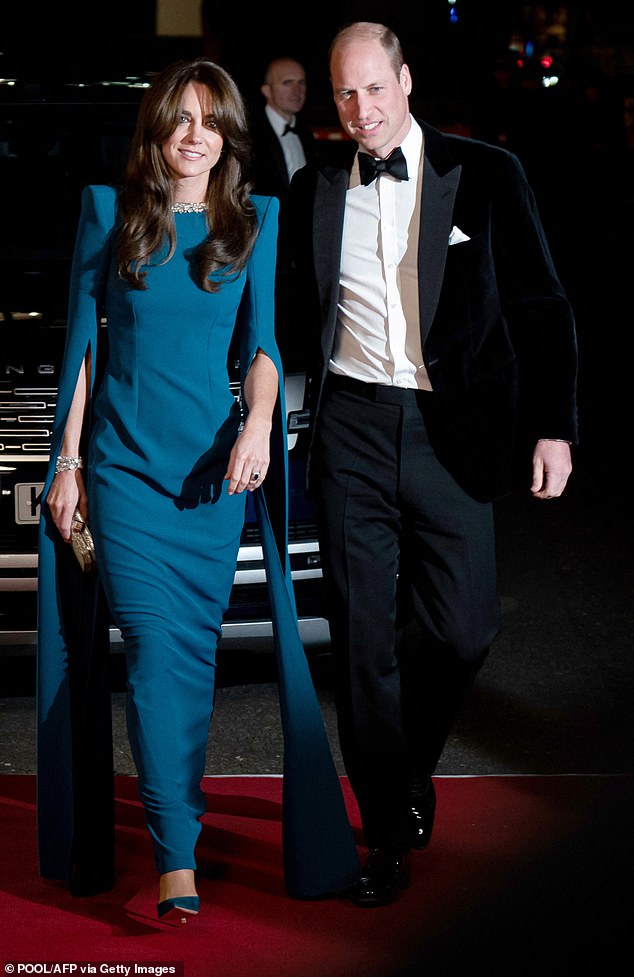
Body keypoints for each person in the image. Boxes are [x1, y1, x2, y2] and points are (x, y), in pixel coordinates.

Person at [36, 57, 359, 921]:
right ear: (158, 131)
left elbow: (263, 349)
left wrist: (259, 425)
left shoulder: (256, 222)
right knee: (147, 649)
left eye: (209, 121)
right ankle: (176, 852)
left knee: (190, 659)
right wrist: (65, 462)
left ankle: (178, 819)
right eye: (180, 119)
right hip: (128, 473)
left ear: (227, 136)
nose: (194, 135)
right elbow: (82, 351)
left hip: (209, 478)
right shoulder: (112, 215)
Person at [287, 22, 578, 907]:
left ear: (406, 81)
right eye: (344, 93)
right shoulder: (313, 186)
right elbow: (282, 307)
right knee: (362, 641)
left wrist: (552, 427)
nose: (361, 109)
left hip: (453, 429)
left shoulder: (487, 172)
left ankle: (406, 765)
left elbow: (541, 303)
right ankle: (385, 829)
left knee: (462, 629)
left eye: (374, 88)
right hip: (352, 430)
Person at [249, 56, 316, 362]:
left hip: (300, 252)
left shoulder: (305, 133)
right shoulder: (250, 135)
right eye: (287, 82)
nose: (297, 90)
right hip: (264, 248)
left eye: (301, 82)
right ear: (266, 90)